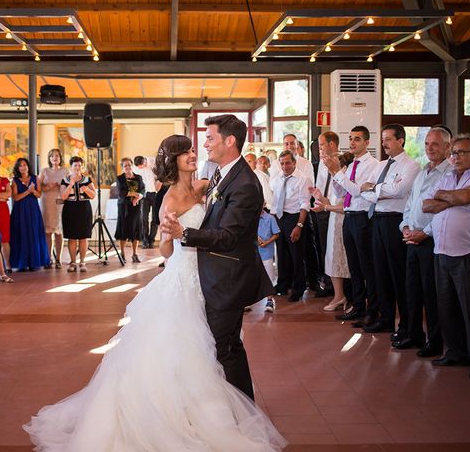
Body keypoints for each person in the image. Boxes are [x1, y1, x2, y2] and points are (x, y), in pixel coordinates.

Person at [24, 133, 286, 451]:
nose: (193, 154)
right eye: (186, 152)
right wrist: (168, 234)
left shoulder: (206, 187)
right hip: (182, 278)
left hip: (210, 276)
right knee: (183, 348)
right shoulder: (169, 199)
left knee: (216, 344)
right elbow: (166, 251)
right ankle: (180, 415)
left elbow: (223, 221)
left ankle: (216, 408)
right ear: (174, 160)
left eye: (193, 150)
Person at [161, 114, 275, 401]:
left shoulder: (245, 184)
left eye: (210, 138)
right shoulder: (221, 174)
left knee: (224, 347)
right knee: (218, 345)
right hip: (207, 274)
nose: (204, 145)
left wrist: (183, 233)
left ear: (230, 141)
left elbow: (227, 236)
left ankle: (242, 409)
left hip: (228, 277)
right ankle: (228, 404)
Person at [423, 135, 470, 381]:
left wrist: (445, 198)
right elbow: (426, 205)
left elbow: (466, 198)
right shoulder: (447, 176)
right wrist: (452, 199)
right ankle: (455, 352)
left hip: (467, 253)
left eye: (461, 152)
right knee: (446, 307)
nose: (455, 157)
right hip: (441, 251)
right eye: (454, 153)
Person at [394, 127, 451, 356]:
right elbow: (410, 205)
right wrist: (406, 227)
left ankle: (435, 341)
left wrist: (424, 233)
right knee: (412, 290)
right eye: (427, 144)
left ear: (448, 146)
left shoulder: (449, 174)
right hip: (412, 240)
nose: (429, 148)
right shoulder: (422, 172)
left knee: (431, 293)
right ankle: (414, 334)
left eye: (435, 144)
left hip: (430, 241)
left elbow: (444, 211)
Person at [359, 124, 420, 336]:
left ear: (401, 140)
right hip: (376, 219)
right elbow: (363, 191)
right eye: (383, 139)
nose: (384, 144)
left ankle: (406, 325)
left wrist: (374, 190)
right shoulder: (381, 165)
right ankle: (385, 319)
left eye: (389, 139)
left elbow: (398, 190)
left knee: (398, 274)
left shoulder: (411, 165)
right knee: (380, 272)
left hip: (395, 221)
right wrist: (377, 191)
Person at [324, 126, 380, 325]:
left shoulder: (373, 165)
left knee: (367, 267)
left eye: (357, 139)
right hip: (349, 216)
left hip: (363, 218)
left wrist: (340, 175)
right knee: (353, 267)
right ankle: (358, 307)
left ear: (366, 142)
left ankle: (372, 311)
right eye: (350, 138)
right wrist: (335, 174)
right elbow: (341, 192)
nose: (352, 142)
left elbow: (357, 192)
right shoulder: (350, 165)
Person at [310, 153, 354, 312]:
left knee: (343, 261)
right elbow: (332, 202)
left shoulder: (347, 180)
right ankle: (339, 296)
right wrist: (320, 197)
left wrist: (326, 207)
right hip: (334, 222)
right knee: (332, 259)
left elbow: (345, 206)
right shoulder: (337, 179)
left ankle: (347, 297)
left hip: (344, 222)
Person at [270, 150, 312, 302]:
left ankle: (298, 288)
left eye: (288, 163)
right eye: (282, 163)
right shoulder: (276, 179)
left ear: (294, 162)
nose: (285, 166)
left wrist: (299, 225)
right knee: (281, 254)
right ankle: (282, 285)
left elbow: (305, 204)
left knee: (296, 255)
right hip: (279, 218)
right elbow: (274, 202)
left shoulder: (303, 179)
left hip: (295, 218)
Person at [10, 158, 49, 271]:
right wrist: (28, 191)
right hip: (20, 210)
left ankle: (34, 262)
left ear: (28, 166)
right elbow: (16, 198)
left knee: (33, 233)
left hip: (33, 209)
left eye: (25, 165)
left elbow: (39, 195)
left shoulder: (35, 178)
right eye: (21, 165)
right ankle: (21, 262)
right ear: (18, 168)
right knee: (21, 234)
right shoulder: (15, 180)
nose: (23, 167)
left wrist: (33, 191)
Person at [59, 156, 96, 272]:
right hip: (70, 209)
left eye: (79, 165)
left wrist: (86, 190)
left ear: (82, 166)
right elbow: (63, 196)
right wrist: (70, 184)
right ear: (71, 166)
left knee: (83, 237)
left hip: (84, 209)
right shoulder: (65, 180)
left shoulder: (87, 179)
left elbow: (93, 195)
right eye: (75, 165)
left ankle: (82, 262)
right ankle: (73, 262)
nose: (77, 167)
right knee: (72, 237)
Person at [39, 149, 68, 268]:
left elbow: (69, 186)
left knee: (58, 231)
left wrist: (61, 186)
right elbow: (38, 187)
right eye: (52, 156)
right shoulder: (44, 171)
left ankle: (58, 259)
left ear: (60, 158)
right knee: (47, 231)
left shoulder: (65, 171)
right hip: (46, 202)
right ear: (49, 159)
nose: (55, 158)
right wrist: (48, 186)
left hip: (60, 203)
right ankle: (49, 258)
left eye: (57, 156)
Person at [115, 157, 145, 263]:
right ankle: (122, 253)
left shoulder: (139, 177)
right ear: (122, 167)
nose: (128, 167)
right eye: (125, 165)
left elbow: (143, 190)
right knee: (123, 229)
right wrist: (134, 194)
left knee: (136, 229)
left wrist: (138, 197)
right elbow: (120, 193)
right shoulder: (120, 178)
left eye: (129, 165)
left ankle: (134, 254)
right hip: (124, 207)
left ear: (132, 165)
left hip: (136, 206)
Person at [133, 156, 159, 249]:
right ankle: (145, 241)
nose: (140, 168)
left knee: (155, 218)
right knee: (143, 217)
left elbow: (160, 175)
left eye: (141, 166)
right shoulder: (135, 169)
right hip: (144, 195)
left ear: (144, 161)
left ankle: (151, 240)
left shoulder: (153, 162)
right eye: (139, 167)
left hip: (156, 194)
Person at [257, 205, 279, 313]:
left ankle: (269, 300)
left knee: (269, 276)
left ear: (263, 205)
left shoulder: (270, 218)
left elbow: (276, 234)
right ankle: (248, 301)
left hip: (266, 253)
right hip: (255, 253)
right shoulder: (251, 218)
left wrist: (266, 242)